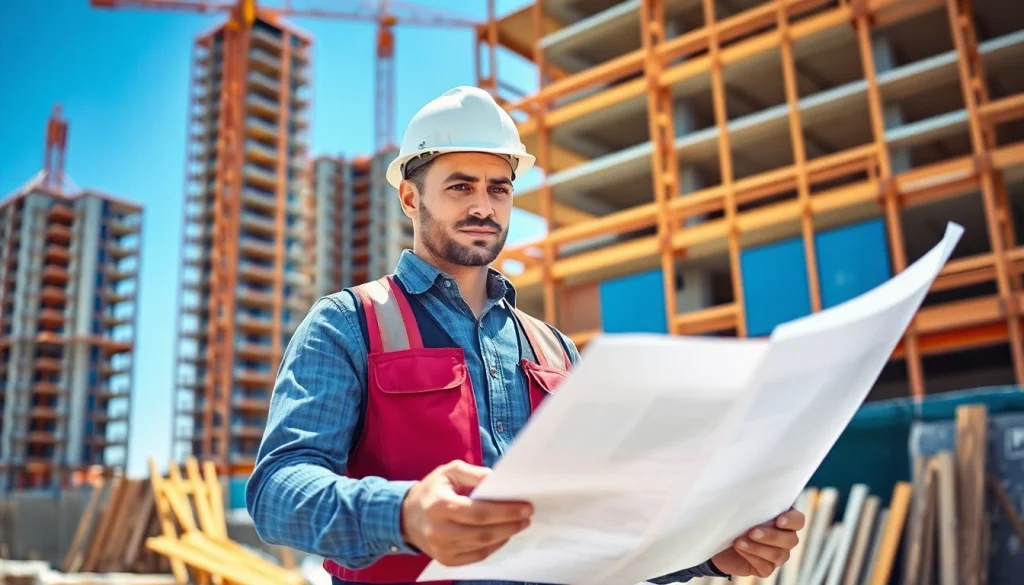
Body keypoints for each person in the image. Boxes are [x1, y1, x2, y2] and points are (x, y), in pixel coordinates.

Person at [246, 86, 805, 584]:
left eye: (499, 189)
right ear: (411, 199)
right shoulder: (349, 323)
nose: (483, 207)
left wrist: (711, 555)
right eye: (460, 187)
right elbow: (276, 492)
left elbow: (597, 528)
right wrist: (403, 514)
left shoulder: (555, 349)